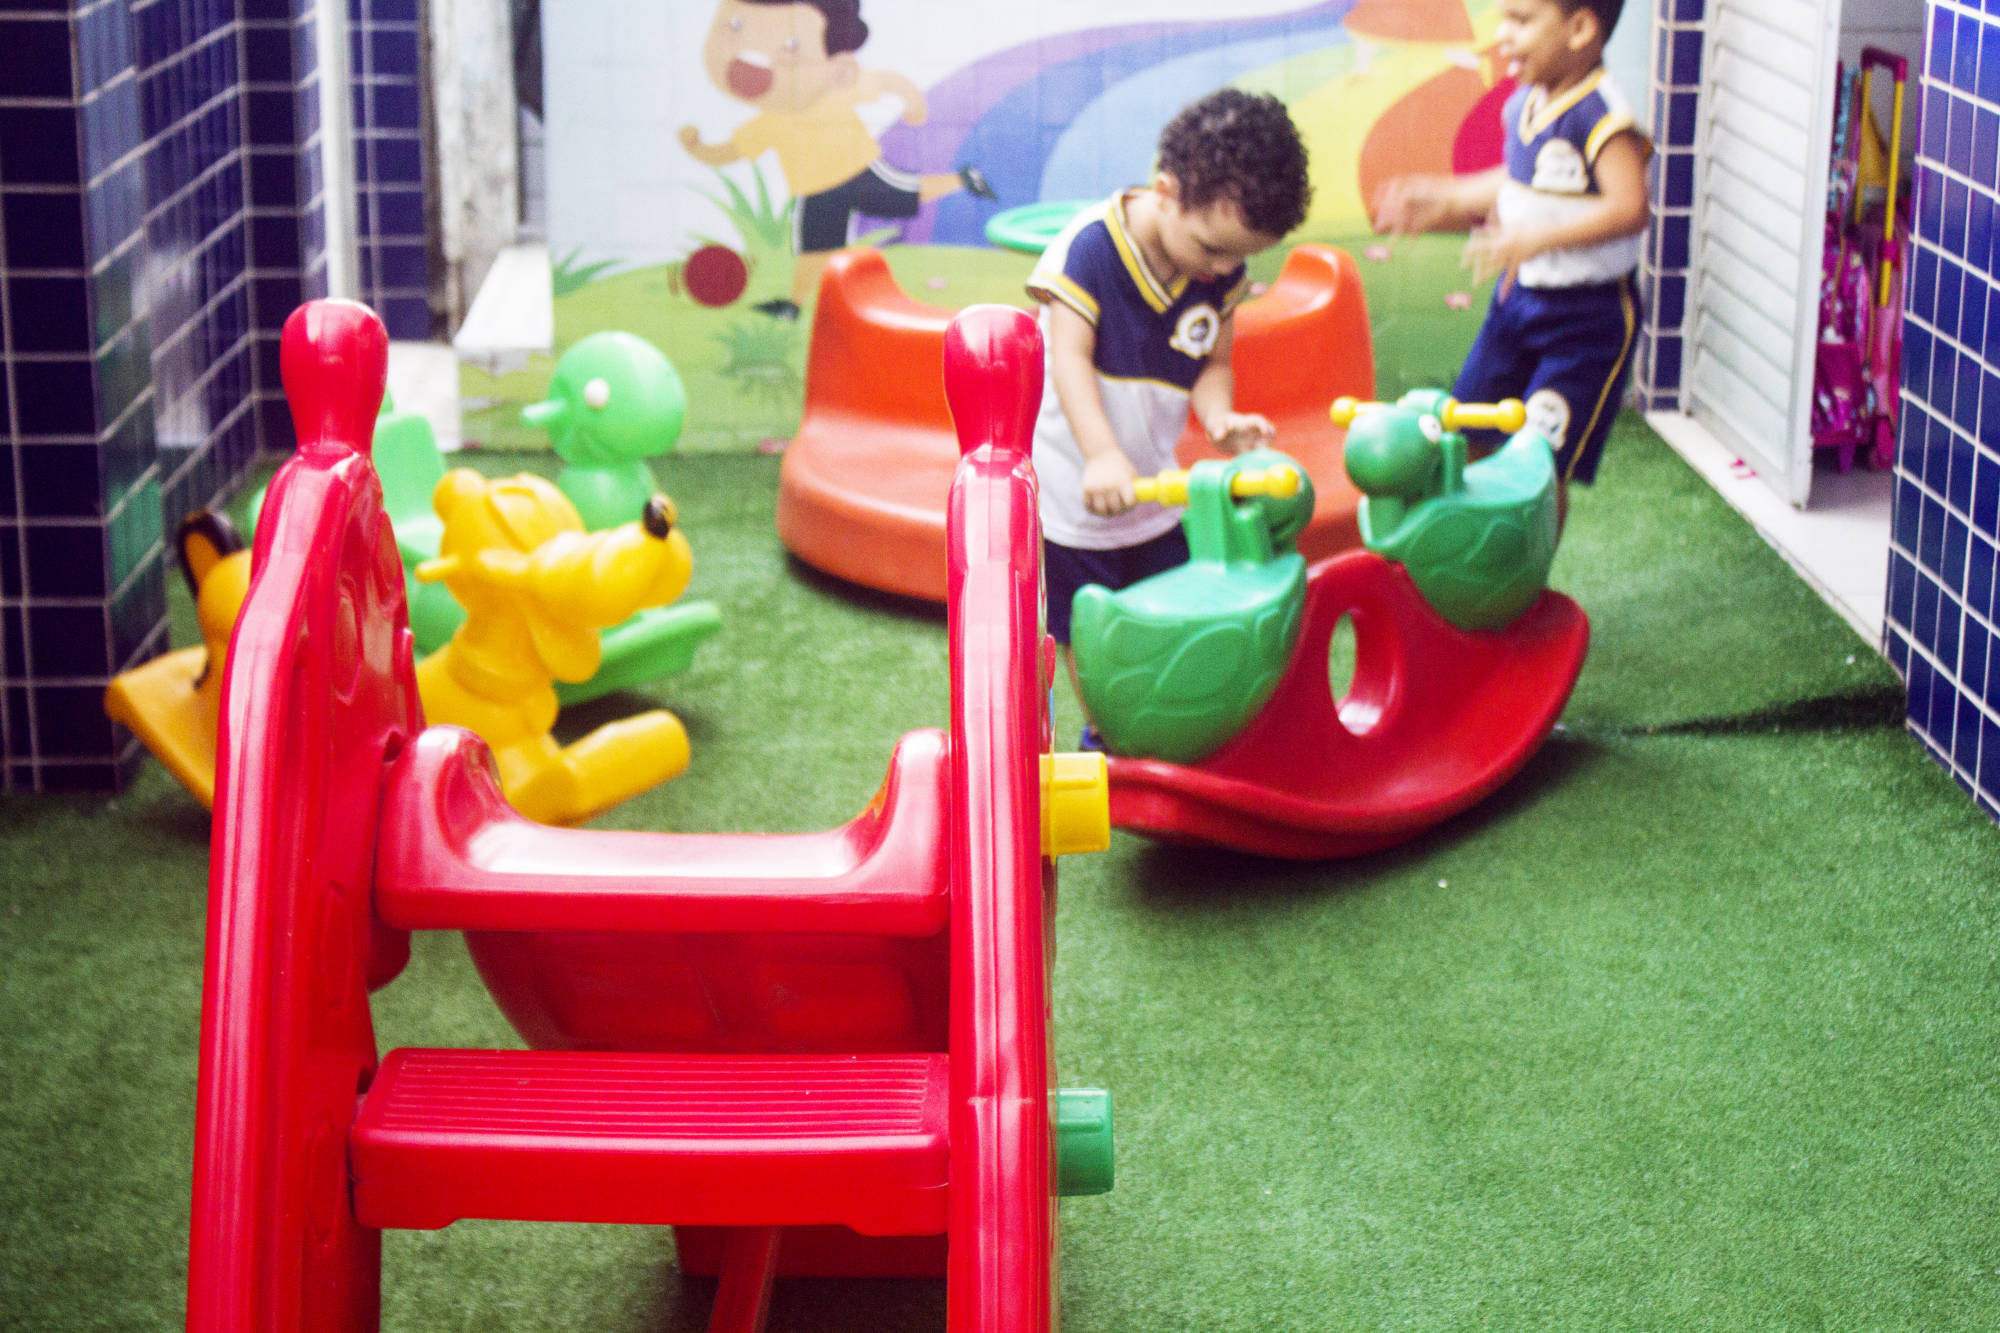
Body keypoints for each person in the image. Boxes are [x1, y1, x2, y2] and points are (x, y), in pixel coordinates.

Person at [1027, 88, 1311, 745]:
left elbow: (1212, 363)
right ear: (1166, 192)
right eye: (1212, 249)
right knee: (1090, 629)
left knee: (1174, 609)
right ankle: (1109, 733)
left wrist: (1219, 418)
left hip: (1156, 486)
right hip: (1077, 490)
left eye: (1237, 257)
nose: (1223, 269)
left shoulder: (1218, 270)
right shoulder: (1090, 250)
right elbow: (1067, 359)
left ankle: (1174, 723)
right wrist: (1101, 454)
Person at [1370, 0, 1649, 513]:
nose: (1502, 35)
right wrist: (1448, 197)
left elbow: (1629, 206)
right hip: (1517, 304)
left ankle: (1531, 562)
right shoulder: (1523, 104)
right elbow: (1517, 180)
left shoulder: (1601, 114)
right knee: (1468, 431)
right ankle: (1477, 551)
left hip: (1585, 322)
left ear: (1580, 28)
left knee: (1539, 463)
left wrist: (1537, 239)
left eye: (1520, 20)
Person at [679, 0, 994, 319]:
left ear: (837, 69)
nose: (757, 62)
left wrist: (913, 102)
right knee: (813, 249)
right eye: (735, 27)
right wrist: (696, 147)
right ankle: (794, 305)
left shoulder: (837, 89)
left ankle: (963, 179)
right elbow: (730, 151)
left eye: (791, 47)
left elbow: (887, 82)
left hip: (856, 172)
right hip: (815, 190)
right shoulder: (768, 123)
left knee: (903, 195)